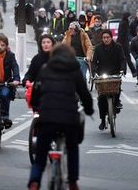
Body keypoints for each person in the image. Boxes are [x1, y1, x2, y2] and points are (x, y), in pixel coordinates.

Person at [28, 44, 94, 190]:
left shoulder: (45, 69)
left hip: (47, 118)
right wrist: (89, 110)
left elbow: (35, 94)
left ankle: (34, 181)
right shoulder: (74, 70)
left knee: (41, 152)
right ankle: (72, 182)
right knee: (72, 148)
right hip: (69, 119)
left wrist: (37, 106)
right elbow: (84, 93)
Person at [92, 30, 126, 130]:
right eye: (104, 38)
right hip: (102, 73)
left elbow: (122, 59)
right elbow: (94, 62)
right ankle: (103, 120)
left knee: (116, 88)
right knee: (101, 98)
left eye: (107, 37)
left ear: (111, 37)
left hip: (115, 72)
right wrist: (94, 72)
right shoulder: (98, 48)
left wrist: (122, 69)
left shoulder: (118, 47)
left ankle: (117, 102)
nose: (106, 39)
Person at [118, 12, 137, 77]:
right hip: (123, 43)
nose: (130, 18)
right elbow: (122, 34)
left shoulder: (123, 22)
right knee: (126, 58)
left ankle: (131, 71)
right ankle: (132, 71)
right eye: (129, 17)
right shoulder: (124, 23)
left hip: (123, 43)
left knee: (125, 58)